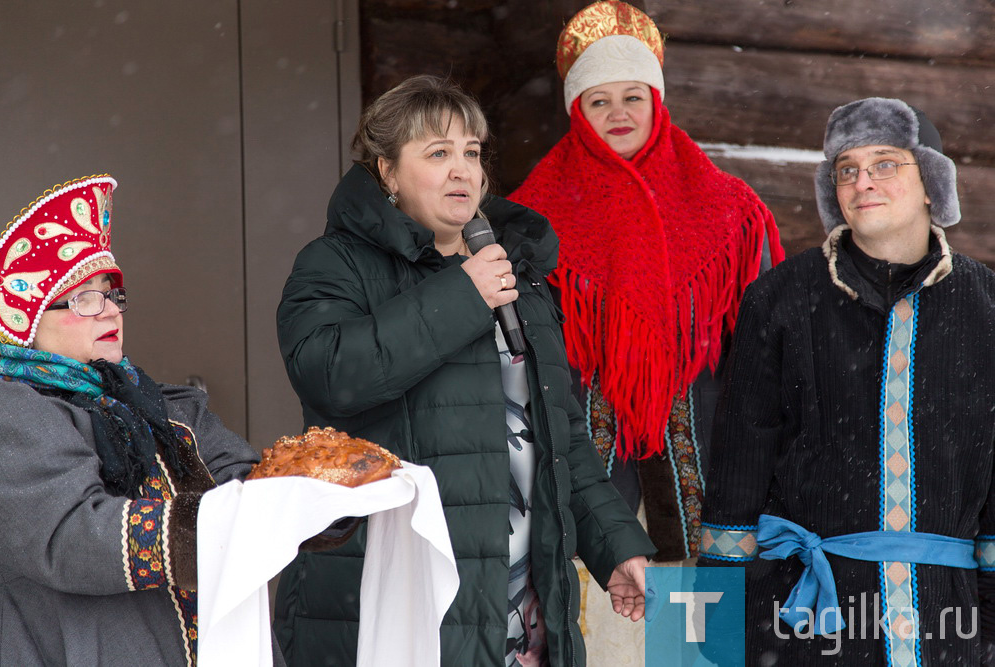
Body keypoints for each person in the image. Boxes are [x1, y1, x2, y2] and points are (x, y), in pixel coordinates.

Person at [274, 74, 655, 666]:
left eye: (472, 153)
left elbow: (560, 436)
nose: (463, 171)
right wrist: (464, 296)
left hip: (519, 609)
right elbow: (330, 375)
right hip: (394, 602)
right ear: (387, 173)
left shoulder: (516, 272)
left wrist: (615, 545)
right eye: (438, 153)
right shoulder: (335, 264)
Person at [699, 97, 995, 664]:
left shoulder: (985, 306)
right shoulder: (781, 299)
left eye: (885, 163)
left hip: (946, 619)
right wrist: (719, 618)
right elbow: (741, 458)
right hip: (804, 615)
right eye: (847, 170)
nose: (864, 181)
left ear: (932, 183)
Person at [510, 0, 784, 562]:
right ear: (576, 111)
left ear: (656, 101)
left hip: (710, 470)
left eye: (632, 96)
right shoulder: (528, 219)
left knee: (698, 639)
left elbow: (767, 352)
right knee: (599, 637)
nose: (619, 113)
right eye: (599, 100)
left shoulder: (730, 210)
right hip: (578, 471)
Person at [0, 174, 293, 665]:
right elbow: (72, 536)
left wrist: (313, 497)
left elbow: (245, 482)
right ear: (26, 321)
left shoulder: (164, 405)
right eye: (83, 298)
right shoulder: (13, 413)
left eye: (111, 294)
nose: (109, 310)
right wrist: (219, 526)